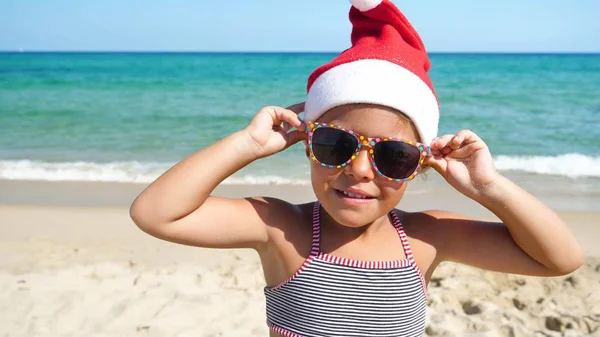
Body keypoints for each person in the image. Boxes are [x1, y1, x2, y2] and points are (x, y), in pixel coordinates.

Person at [129, 1, 584, 336]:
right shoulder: (281, 228)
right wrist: (246, 144)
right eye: (336, 145)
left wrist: (489, 188)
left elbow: (560, 259)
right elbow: (156, 214)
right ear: (308, 144)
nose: (361, 170)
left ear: (421, 164)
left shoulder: (427, 238)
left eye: (393, 156)